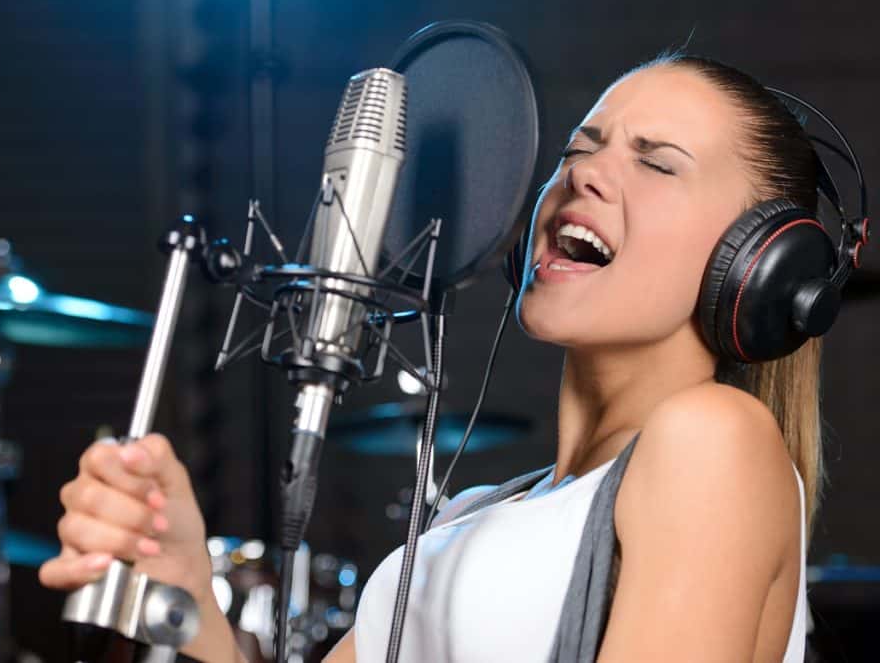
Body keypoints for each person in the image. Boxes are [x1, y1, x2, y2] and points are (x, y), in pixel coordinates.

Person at [40, 53, 826, 662]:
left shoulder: (716, 438)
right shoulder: (466, 515)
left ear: (756, 264)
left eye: (657, 163)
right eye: (580, 148)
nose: (584, 171)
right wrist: (182, 582)